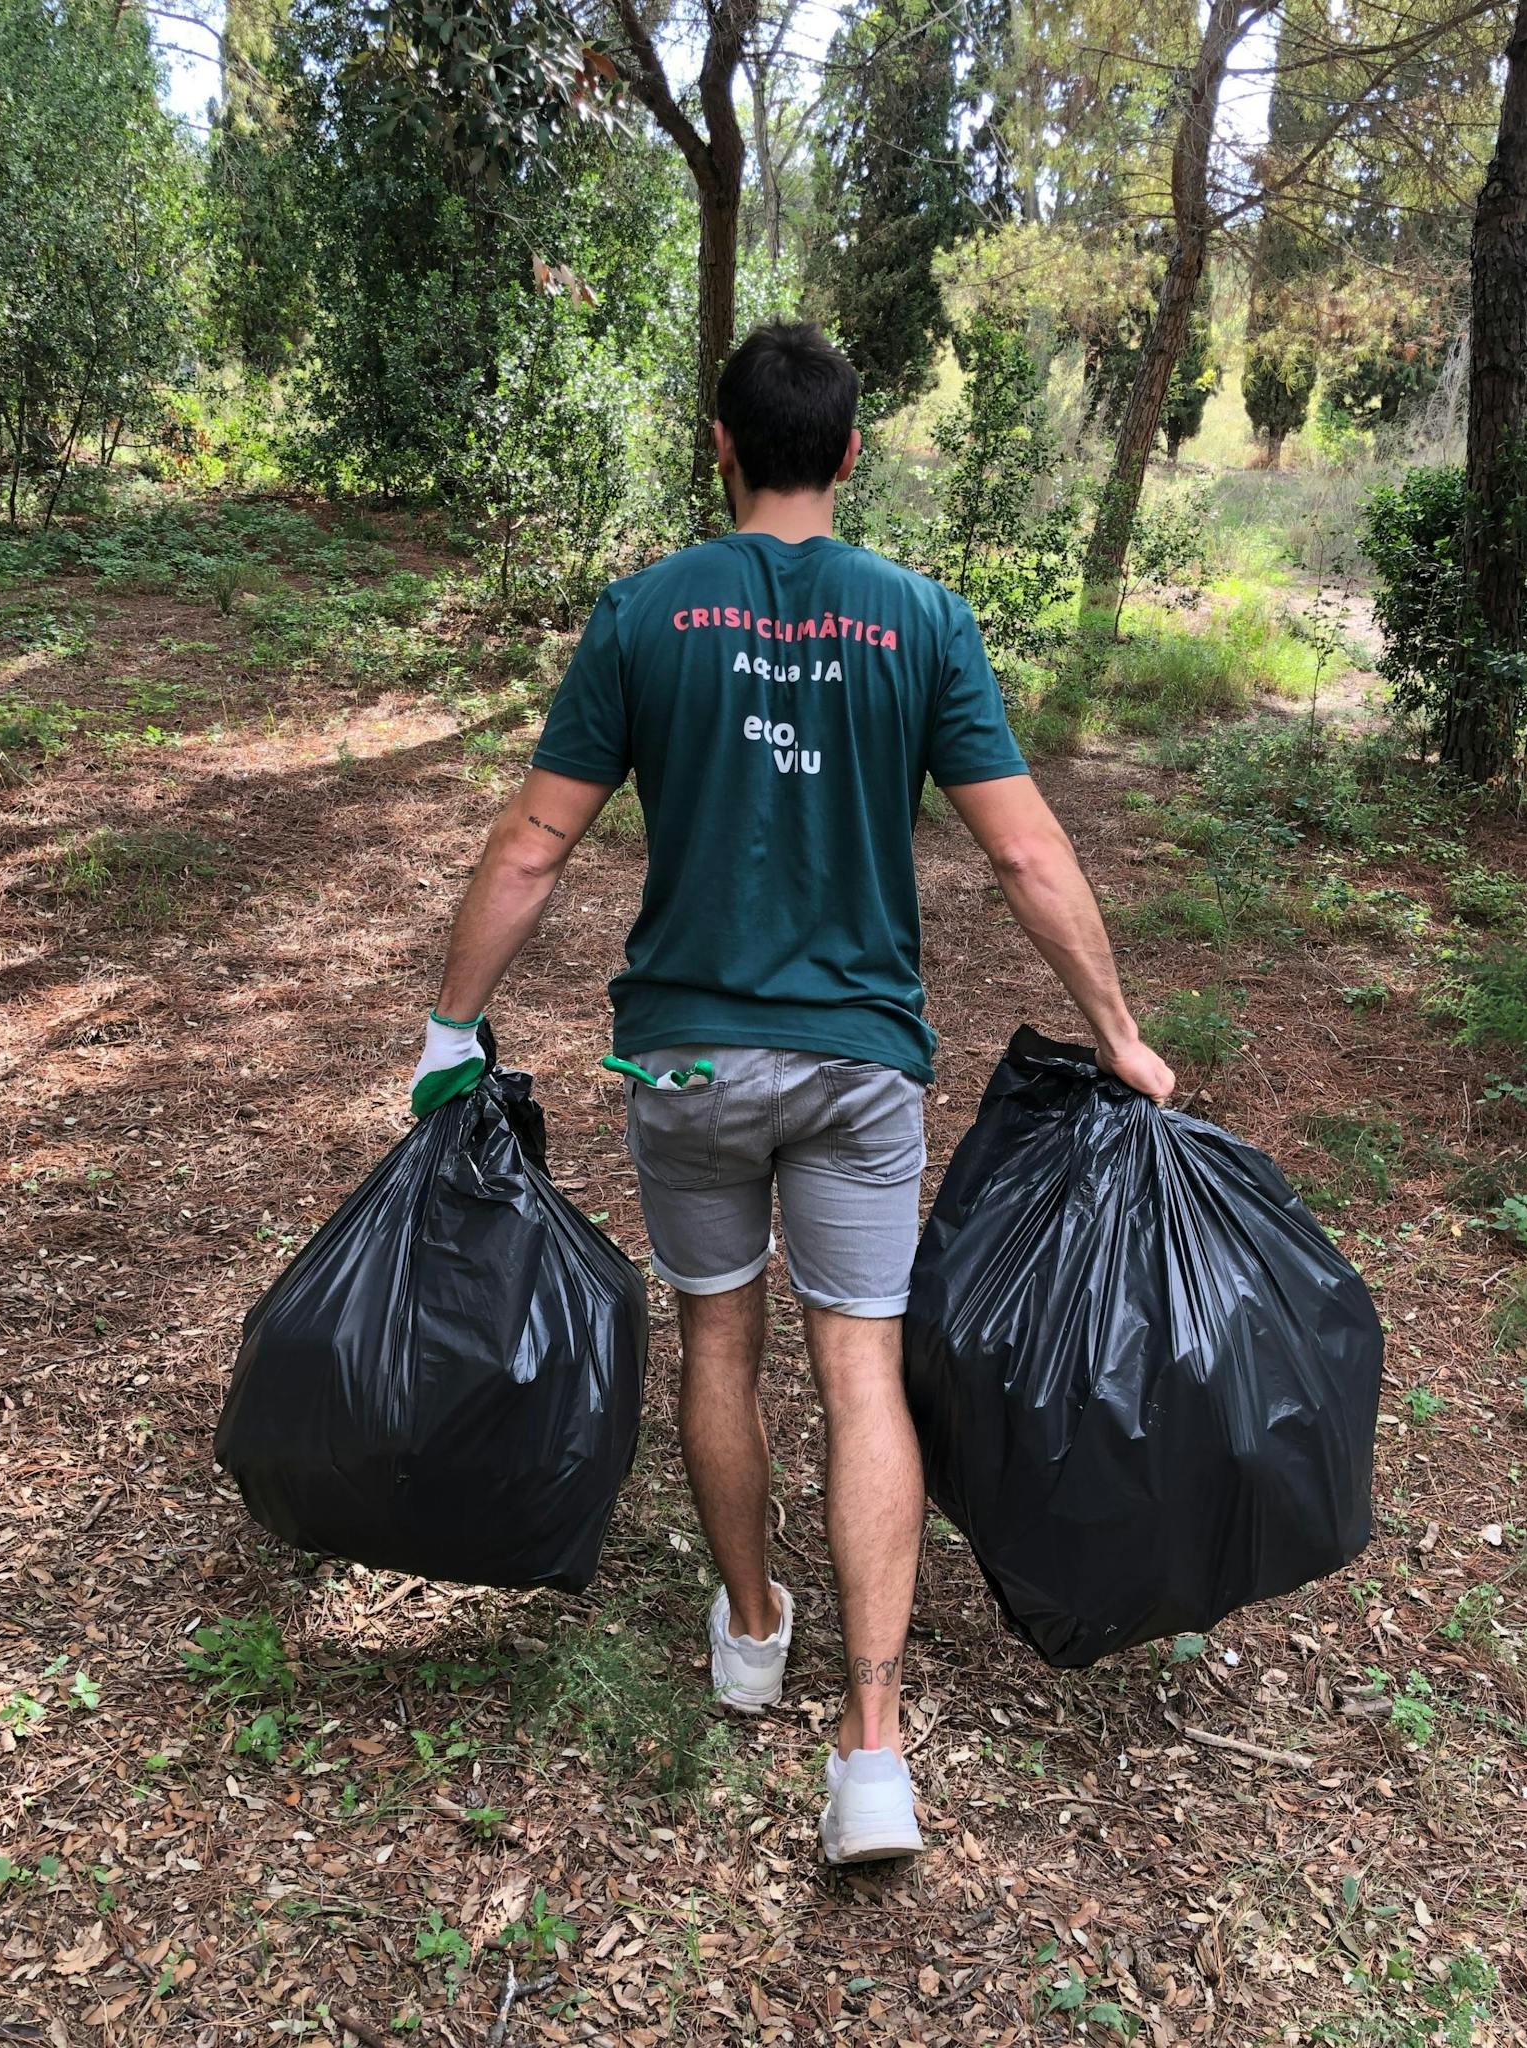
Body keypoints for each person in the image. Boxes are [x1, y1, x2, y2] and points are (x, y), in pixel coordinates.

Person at [410, 321, 1175, 1865]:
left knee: (717, 1336)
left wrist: (449, 1031)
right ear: (846, 451)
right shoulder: (922, 621)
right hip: (859, 1068)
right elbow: (1025, 851)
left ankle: (752, 1630)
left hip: (687, 1059)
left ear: (720, 445)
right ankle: (873, 1748)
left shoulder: (641, 617)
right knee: (858, 1370)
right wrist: (1118, 1032)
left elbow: (532, 846)